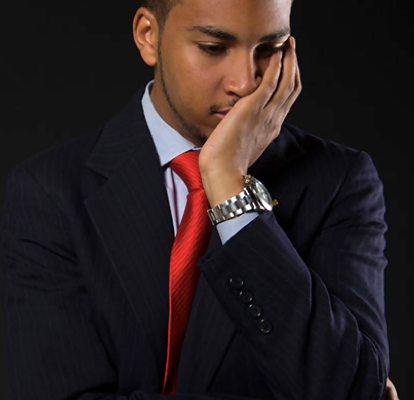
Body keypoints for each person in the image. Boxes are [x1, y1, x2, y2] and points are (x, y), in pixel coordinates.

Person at [0, 0, 399, 399]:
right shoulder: (48, 192)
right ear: (148, 36)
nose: (245, 83)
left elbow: (352, 390)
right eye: (213, 47)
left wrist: (230, 187)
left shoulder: (338, 182)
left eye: (269, 49)